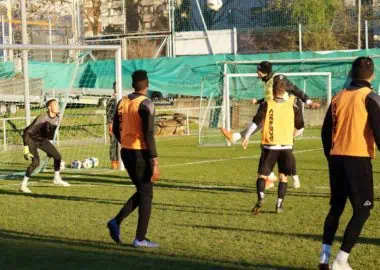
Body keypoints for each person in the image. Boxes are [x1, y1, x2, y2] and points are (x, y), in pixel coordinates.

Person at [318, 57, 380, 270]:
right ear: (372, 75)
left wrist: (331, 156)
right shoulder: (370, 97)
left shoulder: (338, 97)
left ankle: (324, 257)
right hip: (358, 159)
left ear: (352, 74)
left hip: (336, 158)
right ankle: (341, 260)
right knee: (362, 211)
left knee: (336, 207)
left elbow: (325, 132)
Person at [221, 61, 319, 189]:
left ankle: (238, 137)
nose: (256, 72)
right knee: (270, 145)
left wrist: (309, 101)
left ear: (264, 72)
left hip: (285, 113)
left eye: (258, 70)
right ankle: (273, 177)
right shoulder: (268, 82)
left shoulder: (277, 79)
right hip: (275, 112)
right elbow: (270, 98)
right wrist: (259, 101)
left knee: (279, 144)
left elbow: (294, 89)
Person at [107, 70, 160, 248]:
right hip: (140, 153)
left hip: (126, 152)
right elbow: (149, 134)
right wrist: (154, 161)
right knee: (146, 193)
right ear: (147, 83)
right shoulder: (146, 104)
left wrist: (125, 143)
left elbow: (114, 129)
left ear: (133, 84)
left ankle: (116, 222)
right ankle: (140, 238)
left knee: (142, 191)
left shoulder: (122, 101)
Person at [242, 76, 304, 215]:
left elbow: (257, 121)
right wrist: (293, 134)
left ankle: (261, 198)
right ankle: (279, 205)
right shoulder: (294, 104)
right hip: (286, 147)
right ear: (285, 90)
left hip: (270, 146)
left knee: (262, 175)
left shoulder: (266, 104)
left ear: (273, 89)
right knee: (283, 177)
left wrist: (246, 136)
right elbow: (300, 125)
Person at [20, 99, 70, 193]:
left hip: (42, 140)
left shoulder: (57, 118)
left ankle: (56, 178)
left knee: (57, 156)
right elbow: (26, 132)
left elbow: (49, 134)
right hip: (31, 139)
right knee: (36, 162)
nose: (58, 106)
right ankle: (23, 185)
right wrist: (26, 148)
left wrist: (49, 149)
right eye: (55, 105)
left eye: (58, 104)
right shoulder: (42, 117)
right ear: (49, 107)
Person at [106, 82, 120, 169]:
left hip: (121, 125)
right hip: (114, 125)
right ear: (114, 87)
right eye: (116, 86)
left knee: (120, 144)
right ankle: (113, 162)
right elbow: (109, 114)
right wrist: (110, 124)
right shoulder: (112, 99)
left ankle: (119, 161)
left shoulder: (122, 98)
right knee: (113, 143)